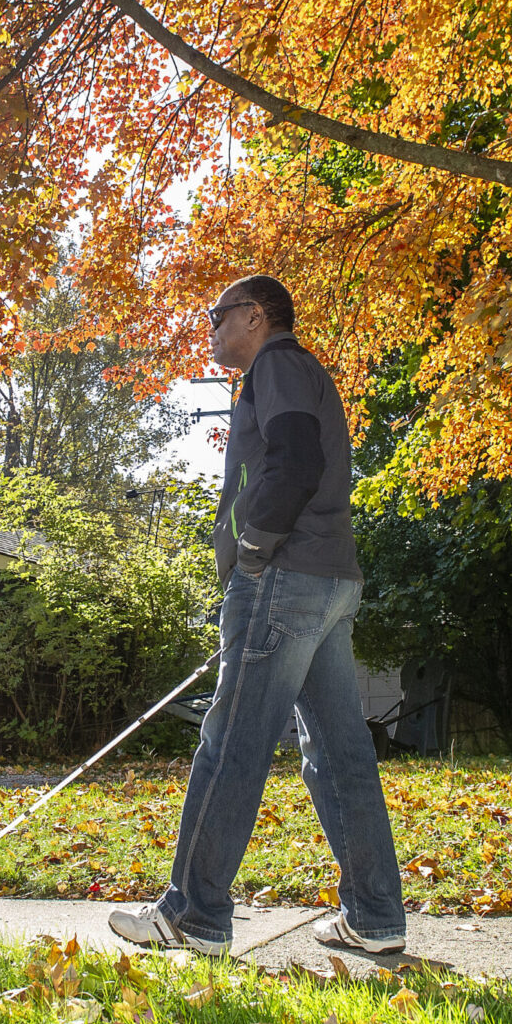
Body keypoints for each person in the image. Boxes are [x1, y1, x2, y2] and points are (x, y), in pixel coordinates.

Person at [109, 275, 406, 957]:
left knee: (231, 742)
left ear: (254, 314)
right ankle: (376, 916)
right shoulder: (298, 372)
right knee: (337, 752)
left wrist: (253, 546)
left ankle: (193, 912)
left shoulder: (276, 365)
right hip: (328, 582)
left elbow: (296, 462)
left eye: (218, 316)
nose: (211, 328)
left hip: (282, 578)